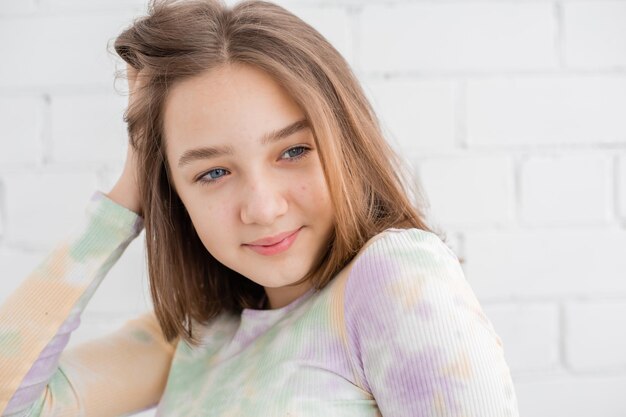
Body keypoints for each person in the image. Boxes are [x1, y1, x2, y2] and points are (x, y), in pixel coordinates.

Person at [0, 0, 520, 415]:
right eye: (212, 172)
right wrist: (134, 180)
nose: (264, 208)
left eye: (293, 151)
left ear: (345, 142)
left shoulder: (392, 275)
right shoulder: (196, 335)